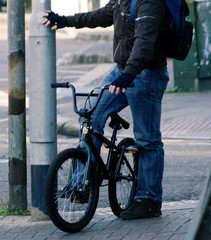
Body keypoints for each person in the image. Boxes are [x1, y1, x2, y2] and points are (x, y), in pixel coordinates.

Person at [43, 0, 169, 220]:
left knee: (147, 139)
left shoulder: (149, 2)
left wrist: (129, 73)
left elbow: (144, 42)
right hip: (121, 70)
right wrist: (64, 21)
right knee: (89, 114)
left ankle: (149, 201)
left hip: (146, 74)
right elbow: (100, 16)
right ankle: (81, 184)